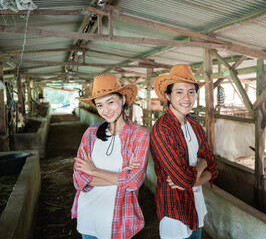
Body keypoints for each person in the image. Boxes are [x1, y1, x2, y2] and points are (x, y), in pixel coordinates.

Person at [71, 74, 150, 239]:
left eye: (110, 102)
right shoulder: (91, 133)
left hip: (118, 221)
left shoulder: (139, 135)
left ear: (122, 99)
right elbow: (78, 180)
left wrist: (93, 171)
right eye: (100, 105)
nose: (105, 110)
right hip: (88, 216)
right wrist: (120, 177)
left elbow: (134, 182)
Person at [150, 64, 218, 239]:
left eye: (191, 92)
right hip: (174, 210)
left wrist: (196, 173)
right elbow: (187, 178)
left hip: (197, 205)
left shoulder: (194, 125)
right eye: (179, 92)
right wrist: (202, 165)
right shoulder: (162, 130)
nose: (186, 98)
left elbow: (213, 168)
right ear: (168, 96)